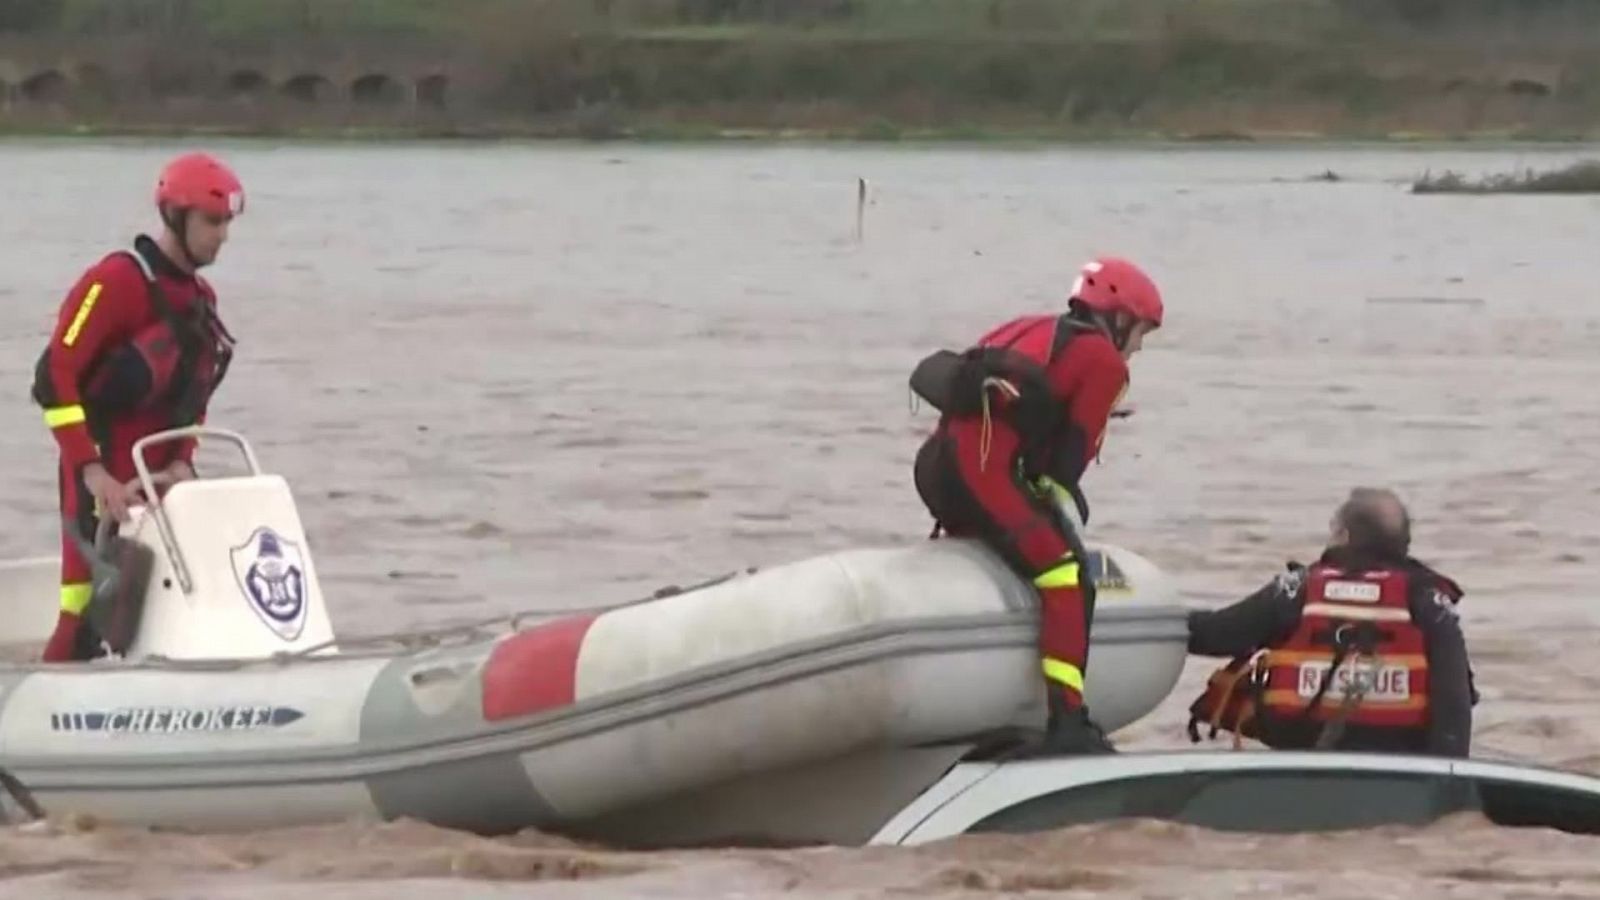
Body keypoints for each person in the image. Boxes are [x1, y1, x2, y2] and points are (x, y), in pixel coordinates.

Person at [908, 256, 1164, 755]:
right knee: (1066, 574)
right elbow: (1068, 463)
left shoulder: (1030, 327)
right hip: (982, 474)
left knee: (1021, 542)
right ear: (1118, 317)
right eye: (1140, 334)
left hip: (937, 469)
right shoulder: (1105, 364)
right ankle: (1068, 721)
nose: (1136, 348)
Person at [31, 151, 244, 663]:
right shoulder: (116, 281)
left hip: (160, 478)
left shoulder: (201, 298)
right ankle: (45, 705)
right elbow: (53, 376)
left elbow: (193, 397)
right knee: (83, 608)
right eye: (212, 222)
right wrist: (91, 471)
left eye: (227, 224)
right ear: (176, 216)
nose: (223, 236)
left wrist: (182, 459)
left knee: (159, 611)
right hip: (102, 473)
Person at [1185, 487, 1475, 757]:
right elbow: (1455, 698)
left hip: (1301, 756)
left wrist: (1155, 616)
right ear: (1404, 544)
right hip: (1398, 762)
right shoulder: (1429, 601)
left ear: (1344, 535)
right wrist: (1448, 779)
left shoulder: (1295, 589)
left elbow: (1215, 634)